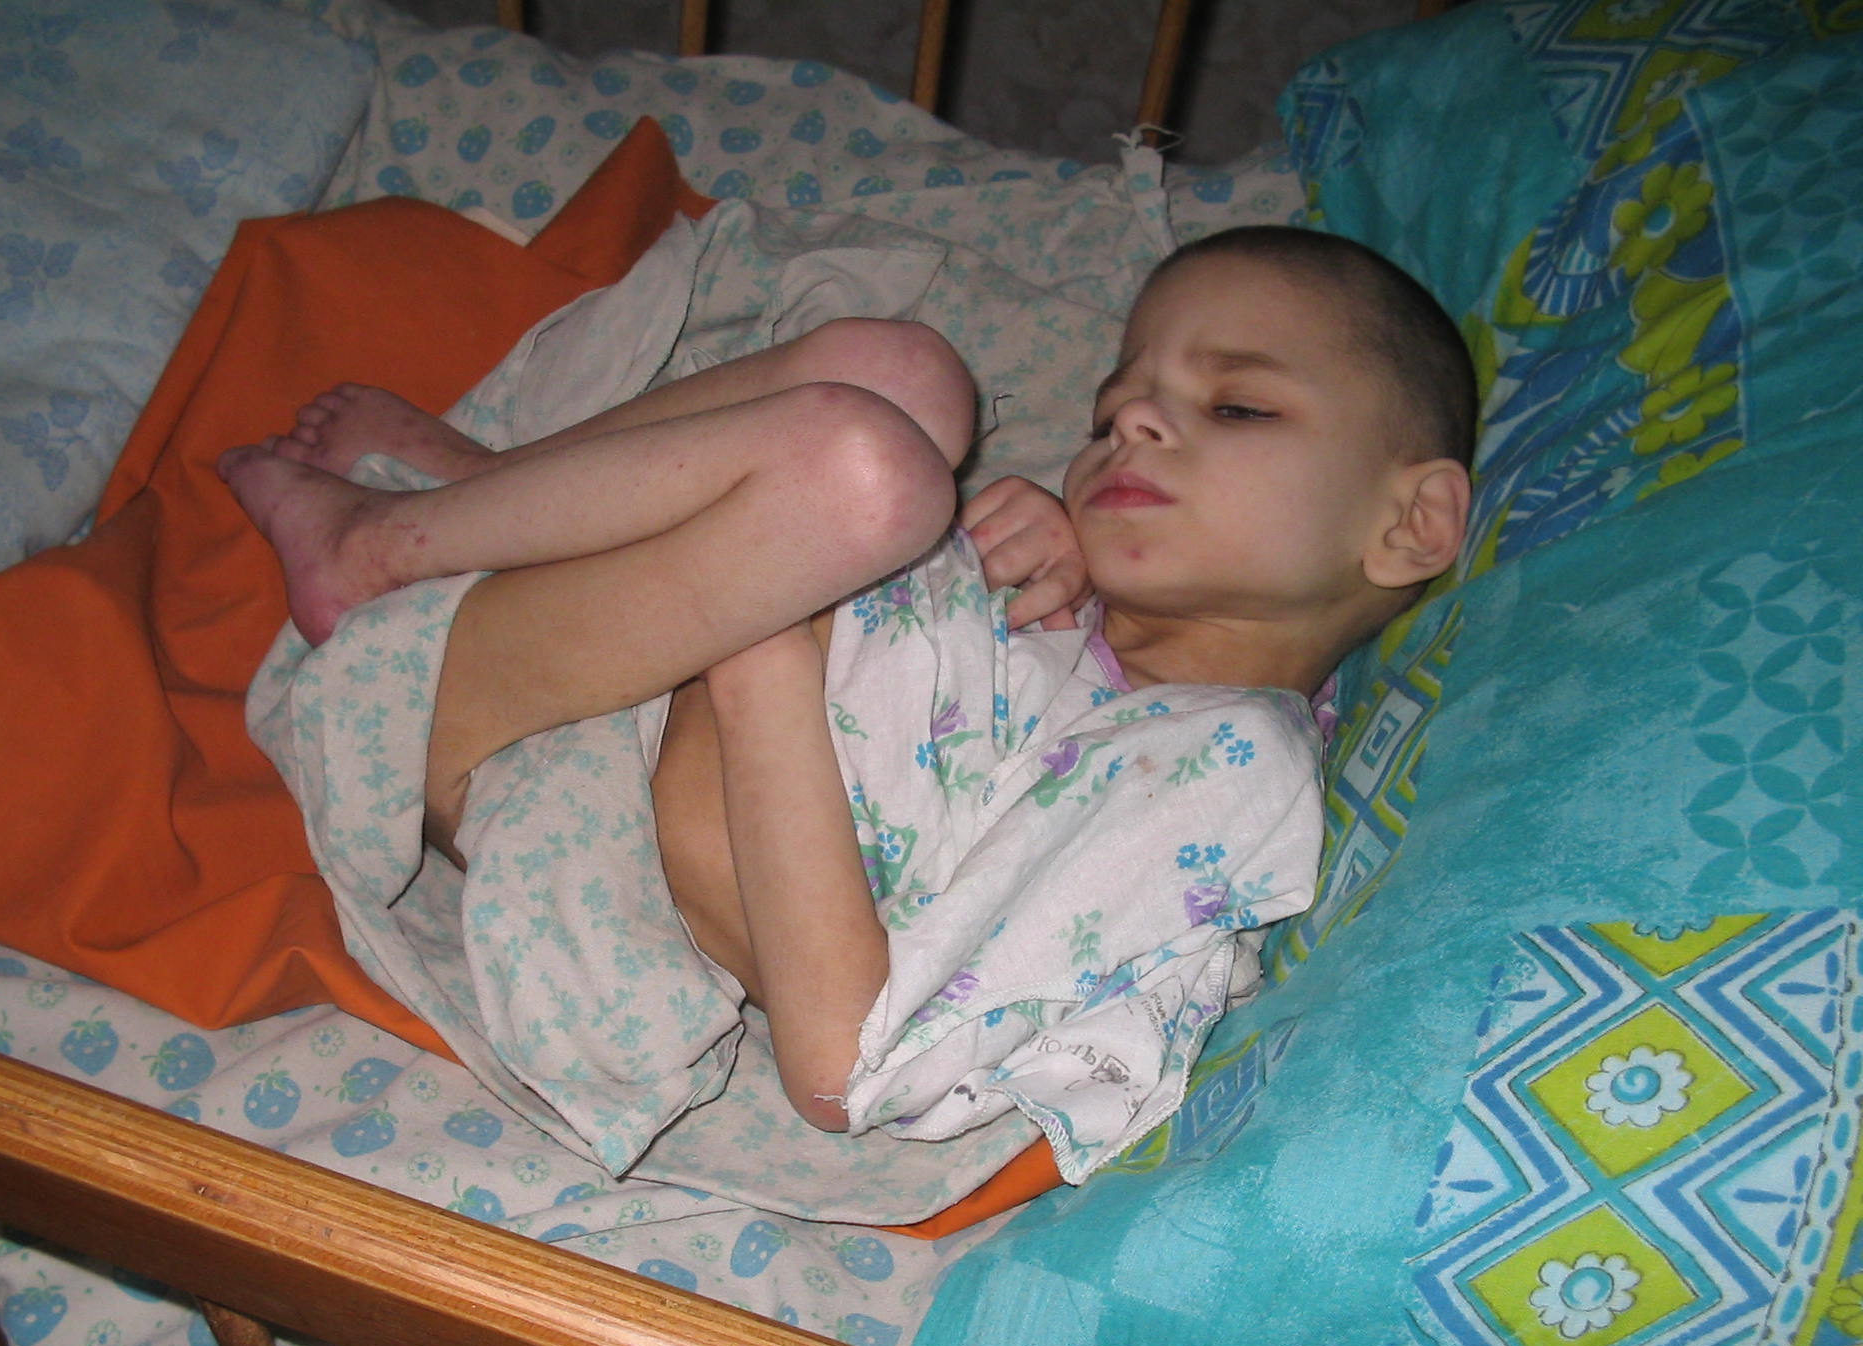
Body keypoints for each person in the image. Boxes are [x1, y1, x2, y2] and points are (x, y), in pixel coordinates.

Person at [221, 223, 1475, 1150]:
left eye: (1237, 407)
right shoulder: (1087, 630)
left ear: (1411, 524)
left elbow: (847, 1065)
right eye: (1111, 412)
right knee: (904, 375)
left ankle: (381, 551)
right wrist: (1011, 559)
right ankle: (473, 499)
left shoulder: (1229, 762)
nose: (1133, 426)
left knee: (867, 475)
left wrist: (764, 652)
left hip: (573, 788)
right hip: (615, 675)